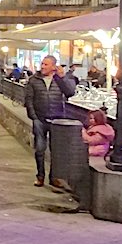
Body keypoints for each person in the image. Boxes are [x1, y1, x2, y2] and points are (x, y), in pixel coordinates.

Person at [23, 55, 76, 186]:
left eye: (46, 64)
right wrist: (34, 116)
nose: (42, 67)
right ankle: (40, 176)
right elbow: (29, 99)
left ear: (53, 66)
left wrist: (62, 77)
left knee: (56, 150)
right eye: (42, 64)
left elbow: (70, 92)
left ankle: (54, 177)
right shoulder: (34, 80)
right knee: (40, 149)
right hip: (40, 119)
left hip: (57, 118)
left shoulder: (60, 80)